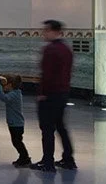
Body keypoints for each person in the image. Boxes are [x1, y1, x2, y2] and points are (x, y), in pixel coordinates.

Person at [31, 20, 76, 172]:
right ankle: (68, 159)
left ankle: (48, 162)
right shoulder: (66, 49)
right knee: (61, 127)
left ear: (54, 31)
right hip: (63, 93)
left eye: (46, 30)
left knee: (47, 129)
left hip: (50, 95)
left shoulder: (50, 50)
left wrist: (42, 93)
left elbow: (47, 74)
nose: (43, 33)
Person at [0, 74, 31, 167]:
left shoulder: (14, 94)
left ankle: (25, 158)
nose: (4, 86)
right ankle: (23, 157)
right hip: (15, 124)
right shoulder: (15, 93)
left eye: (5, 85)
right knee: (17, 142)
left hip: (16, 124)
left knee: (17, 142)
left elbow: (4, 98)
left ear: (10, 85)